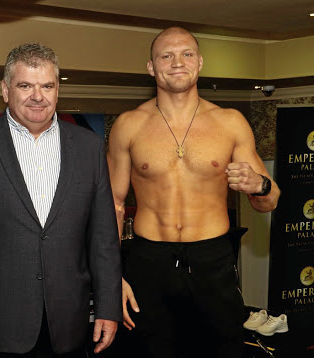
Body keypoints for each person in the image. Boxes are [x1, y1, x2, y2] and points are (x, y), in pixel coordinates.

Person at [0, 43, 122, 358]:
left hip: (69, 320)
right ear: (6, 90)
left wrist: (108, 307)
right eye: (25, 85)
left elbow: (103, 237)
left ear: (57, 89)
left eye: (47, 86)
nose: (38, 96)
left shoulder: (89, 147)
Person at [107, 27, 280, 358]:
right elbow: (113, 205)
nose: (177, 62)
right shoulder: (129, 125)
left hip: (212, 260)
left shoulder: (230, 122)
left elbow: (268, 201)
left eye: (186, 54)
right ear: (151, 67)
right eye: (166, 56)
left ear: (199, 63)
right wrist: (111, 275)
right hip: (149, 261)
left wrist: (261, 185)